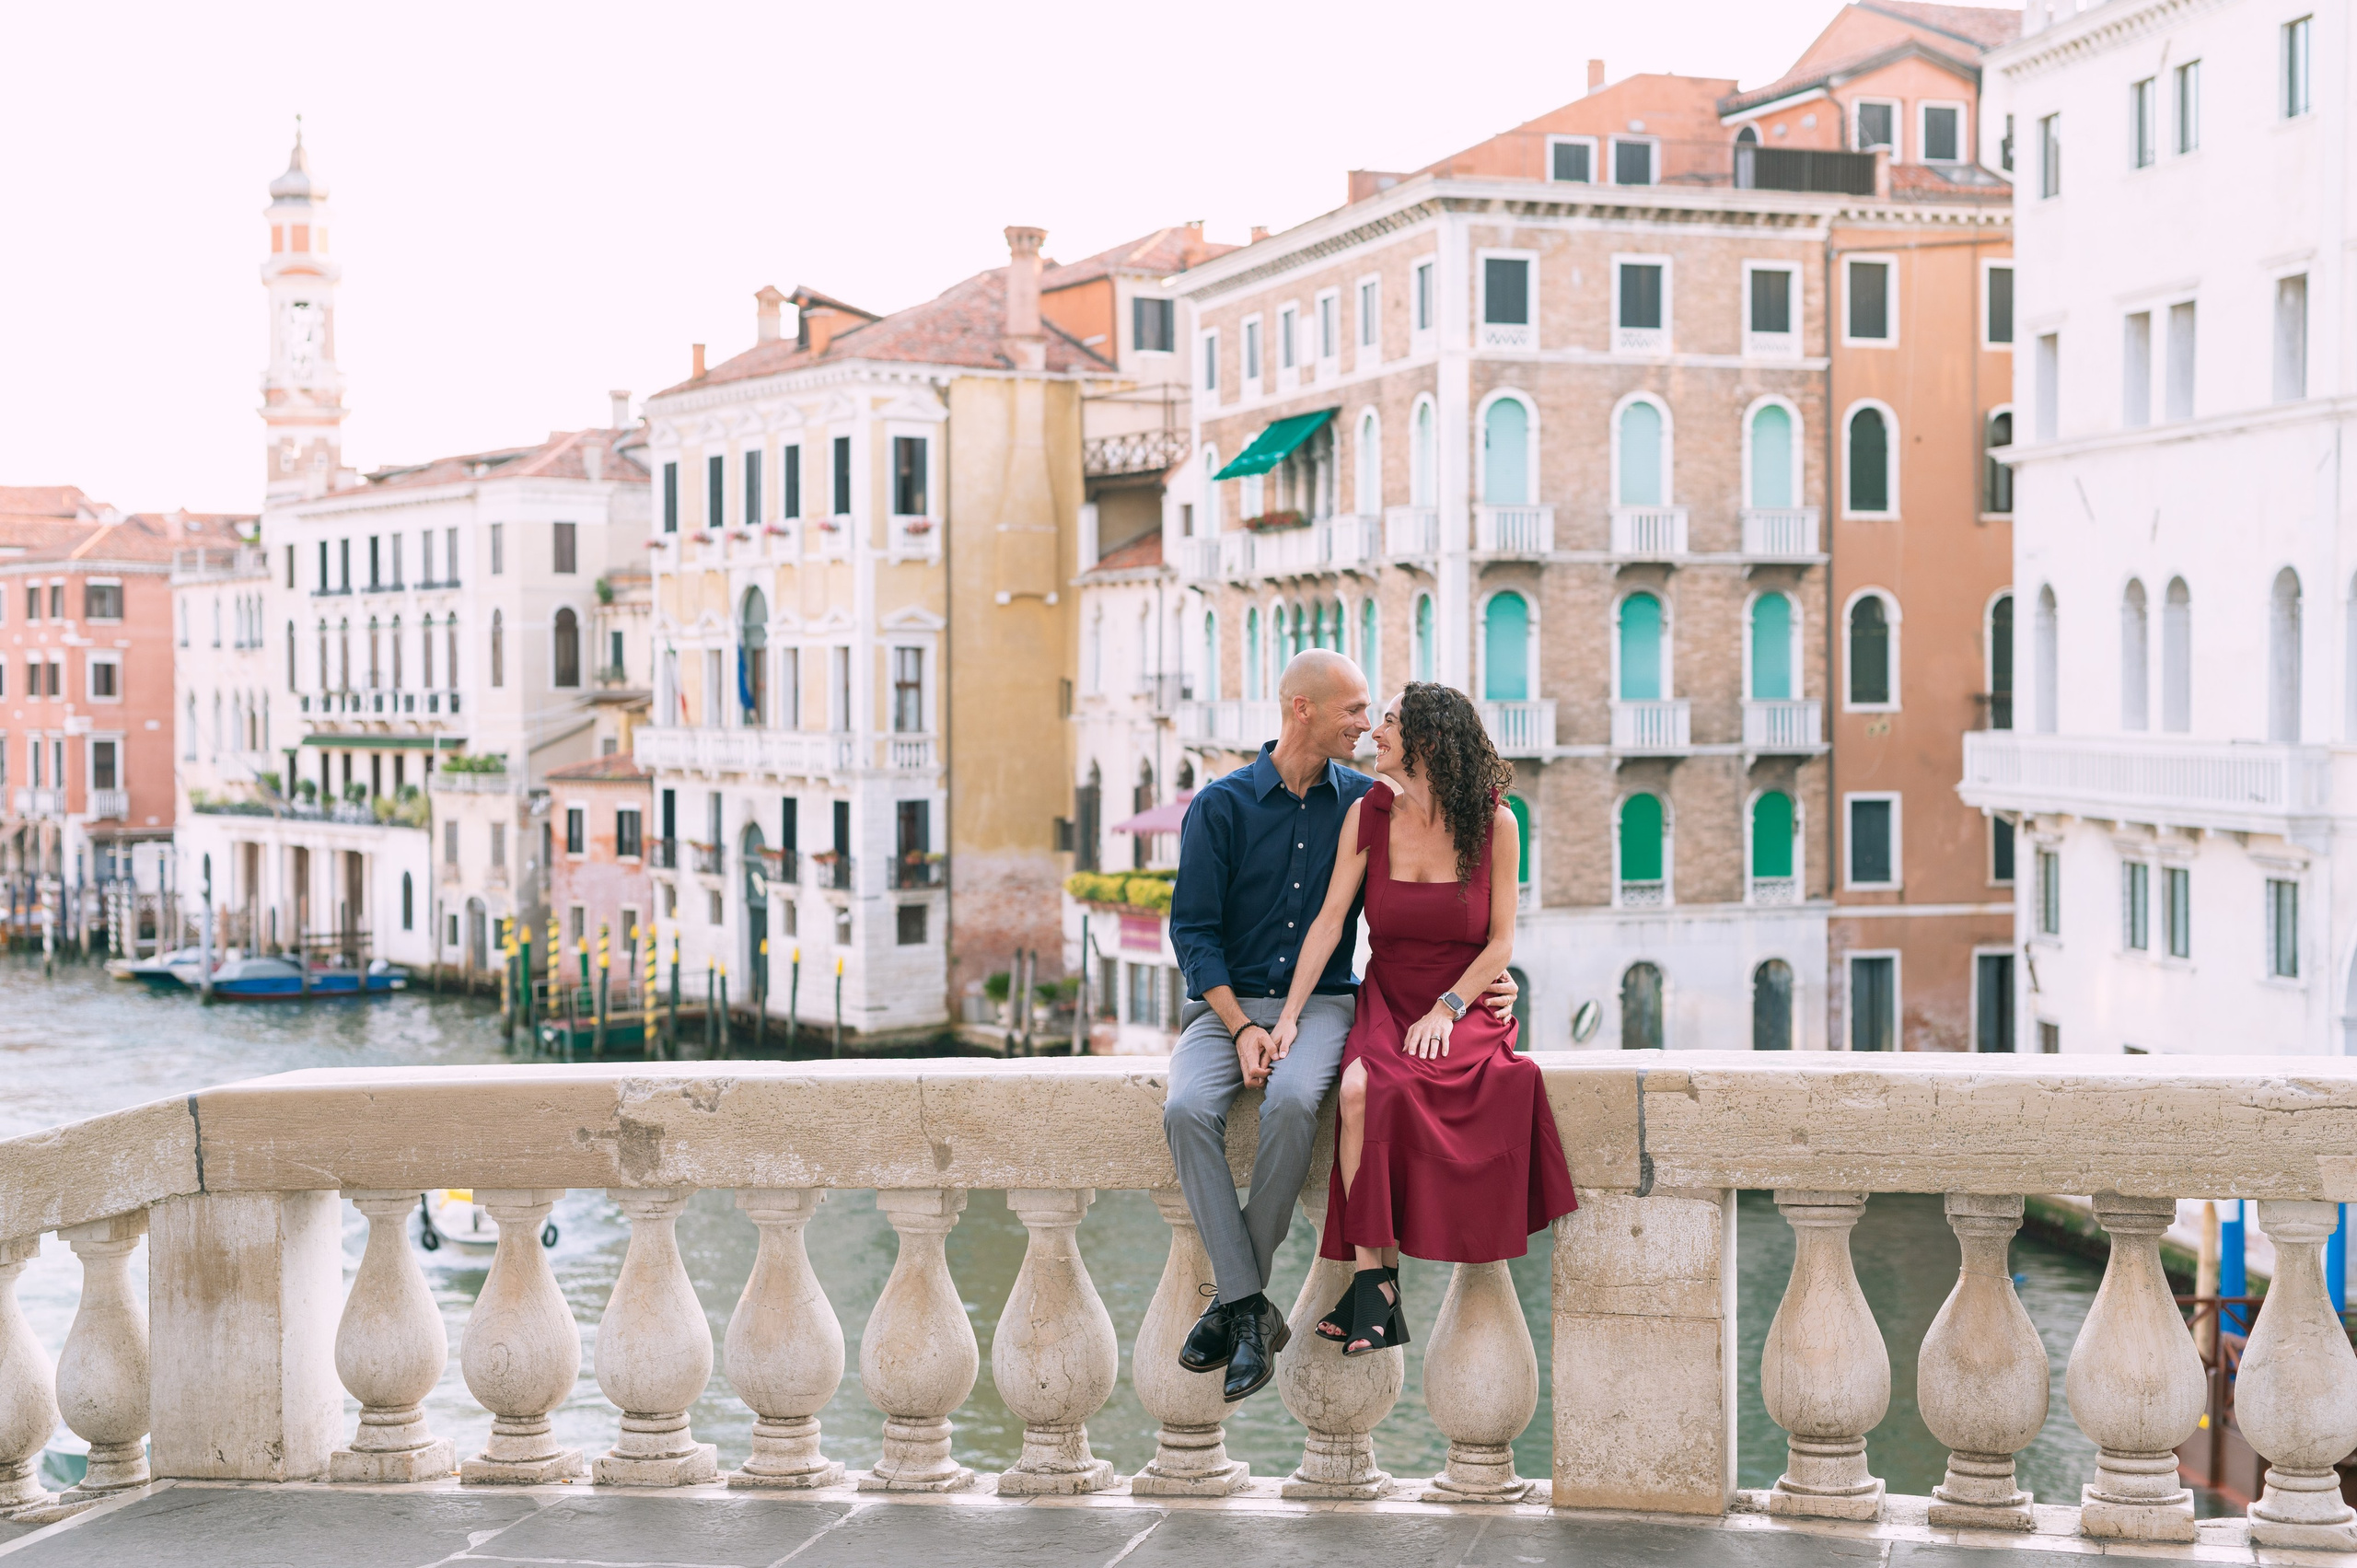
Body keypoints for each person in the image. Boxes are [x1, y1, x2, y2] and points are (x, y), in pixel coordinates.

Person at [1164, 651, 1514, 1401]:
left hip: (1325, 1001)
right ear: (1303, 710)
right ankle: (1250, 1305)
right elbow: (1192, 934)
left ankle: (1234, 1304)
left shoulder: (1367, 800)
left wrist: (1486, 980)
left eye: (1374, 714)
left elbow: (1463, 892)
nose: (1366, 724)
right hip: (1224, 1007)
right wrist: (1241, 1025)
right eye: (1355, 711)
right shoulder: (1220, 806)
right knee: (1186, 1108)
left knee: (1294, 1100)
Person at [1268, 681, 1578, 1355]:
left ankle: (1376, 1297)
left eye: (1389, 723)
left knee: (1410, 1091)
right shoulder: (1370, 813)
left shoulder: (1497, 823)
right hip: (1390, 997)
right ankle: (1378, 1285)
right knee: (1357, 1090)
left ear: (1430, 742)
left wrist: (1451, 1006)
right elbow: (1327, 923)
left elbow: (1500, 942)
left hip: (1462, 1000)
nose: (1375, 733)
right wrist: (1290, 1016)